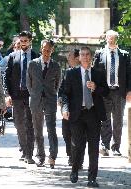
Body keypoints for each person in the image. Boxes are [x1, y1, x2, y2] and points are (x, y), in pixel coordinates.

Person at [62, 46, 109, 187]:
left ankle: (92, 178)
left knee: (94, 148)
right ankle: (75, 170)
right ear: (79, 57)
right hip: (77, 114)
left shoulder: (99, 73)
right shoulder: (71, 73)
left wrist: (96, 87)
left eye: (88, 54)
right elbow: (64, 94)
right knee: (78, 145)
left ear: (92, 56)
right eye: (83, 55)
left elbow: (106, 92)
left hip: (94, 114)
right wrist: (65, 108)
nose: (85, 57)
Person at [93, 30, 131, 156]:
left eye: (113, 38)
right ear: (106, 39)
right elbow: (94, 73)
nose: (111, 40)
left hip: (119, 92)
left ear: (116, 39)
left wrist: (129, 91)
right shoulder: (99, 54)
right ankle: (105, 146)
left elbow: (129, 75)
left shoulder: (124, 55)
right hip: (104, 91)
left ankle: (116, 147)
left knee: (118, 120)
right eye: (109, 38)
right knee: (105, 119)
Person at [5, 31, 39, 164]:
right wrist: (7, 94)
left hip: (31, 95)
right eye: (21, 41)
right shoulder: (13, 56)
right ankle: (24, 150)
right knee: (19, 124)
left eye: (25, 40)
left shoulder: (36, 56)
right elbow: (6, 77)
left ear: (30, 41)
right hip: (17, 95)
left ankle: (29, 154)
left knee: (30, 124)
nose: (23, 43)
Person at [27, 39, 61, 169]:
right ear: (41, 49)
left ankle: (52, 156)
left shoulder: (56, 66)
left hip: (50, 101)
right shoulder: (32, 64)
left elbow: (57, 84)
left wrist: (51, 95)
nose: (46, 52)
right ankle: (40, 156)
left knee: (51, 129)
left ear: (52, 50)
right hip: (35, 101)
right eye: (45, 49)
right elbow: (28, 83)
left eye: (49, 50)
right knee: (38, 130)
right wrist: (35, 95)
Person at [58, 49, 85, 167]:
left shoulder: (84, 72)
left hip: (80, 110)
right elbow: (62, 88)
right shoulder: (68, 72)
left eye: (69, 56)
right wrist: (60, 97)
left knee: (79, 135)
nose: (67, 58)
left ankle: (77, 160)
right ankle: (71, 155)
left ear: (76, 58)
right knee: (66, 132)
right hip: (67, 108)